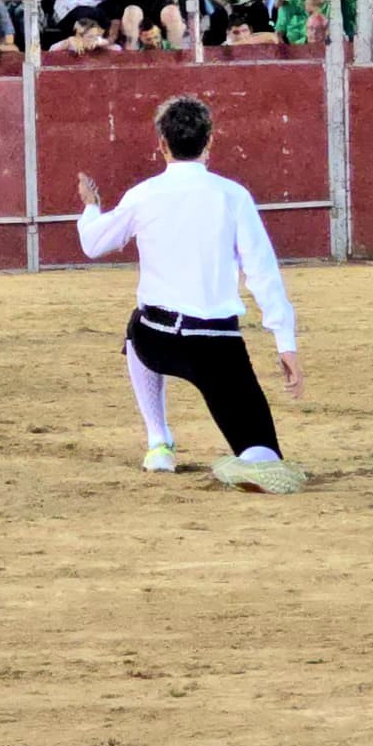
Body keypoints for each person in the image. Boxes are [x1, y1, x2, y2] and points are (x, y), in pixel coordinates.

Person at [75, 95, 307, 492]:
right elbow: (262, 272)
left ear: (162, 144)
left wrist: (91, 208)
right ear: (210, 141)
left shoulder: (143, 195)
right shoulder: (232, 196)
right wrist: (284, 341)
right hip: (218, 343)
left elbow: (94, 244)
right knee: (263, 456)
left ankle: (158, 443)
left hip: (159, 337)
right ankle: (253, 458)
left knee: (135, 328)